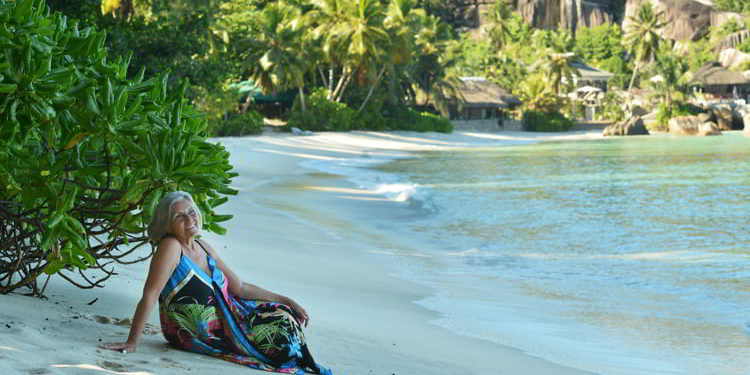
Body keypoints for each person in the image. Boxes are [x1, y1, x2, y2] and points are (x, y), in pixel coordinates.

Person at [100, 191, 331, 375]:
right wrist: (132, 342)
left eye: (191, 211)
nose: (189, 219)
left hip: (231, 318)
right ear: (167, 224)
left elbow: (240, 287)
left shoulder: (202, 246)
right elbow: (150, 294)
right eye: (179, 216)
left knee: (284, 318)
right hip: (193, 332)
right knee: (281, 335)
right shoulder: (171, 246)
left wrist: (287, 300)